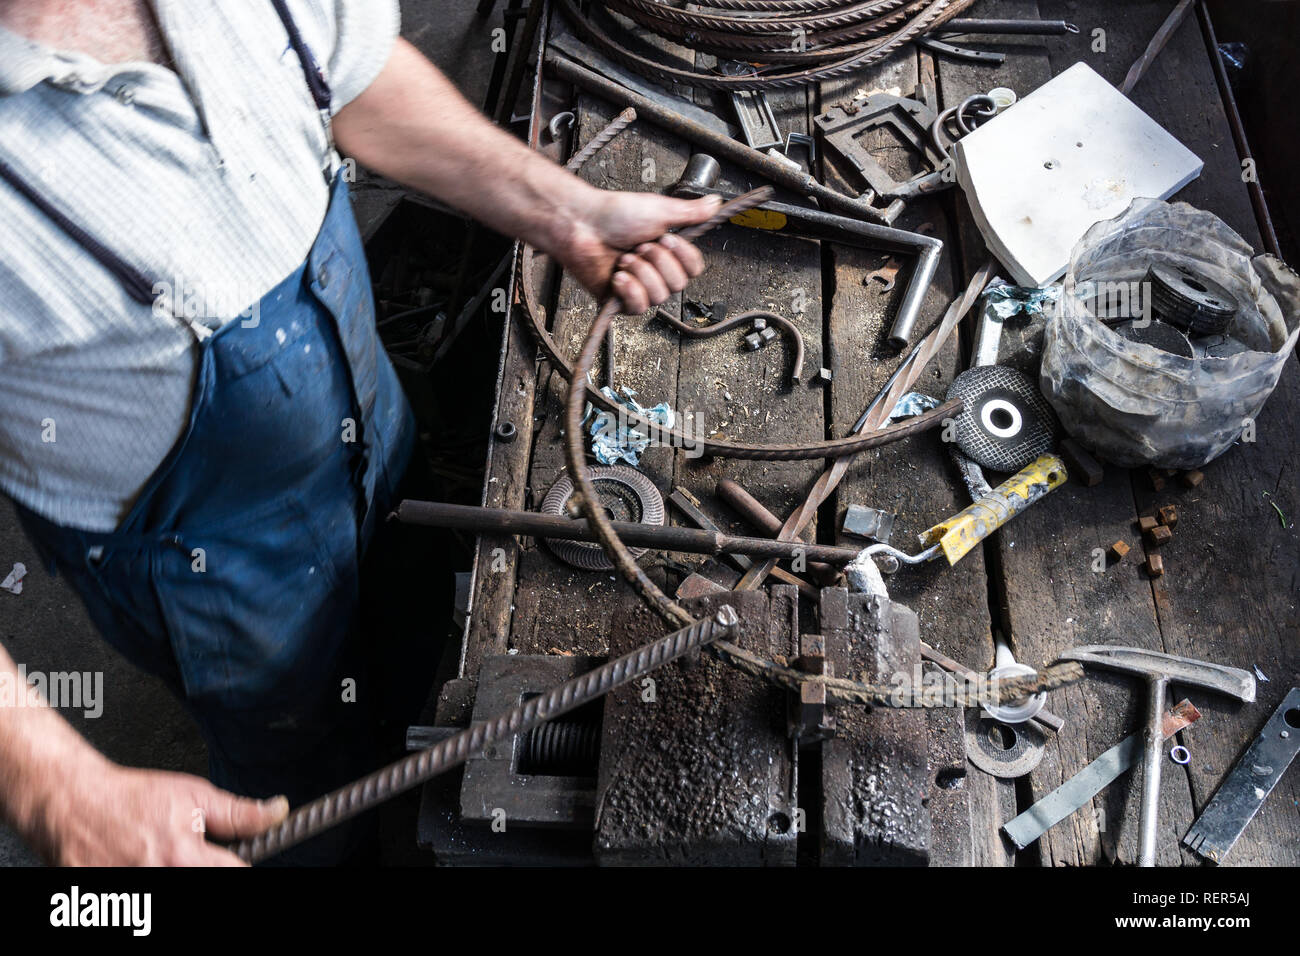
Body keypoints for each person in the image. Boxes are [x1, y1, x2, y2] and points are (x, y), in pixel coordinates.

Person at [0, 0, 717, 865]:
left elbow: (345, 75)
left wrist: (562, 212)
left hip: (364, 428)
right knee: (297, 779)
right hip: (216, 568)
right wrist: (53, 784)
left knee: (414, 633)